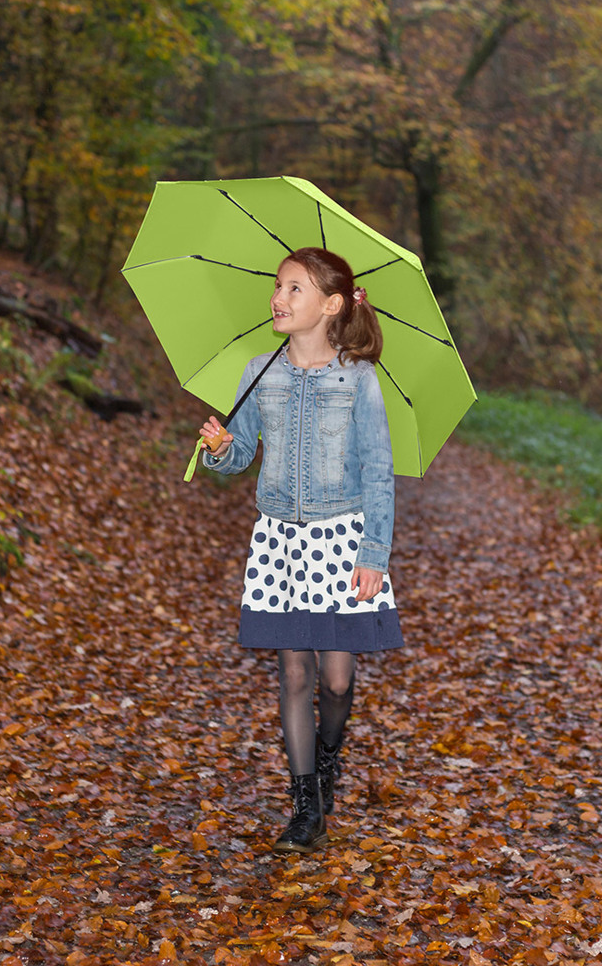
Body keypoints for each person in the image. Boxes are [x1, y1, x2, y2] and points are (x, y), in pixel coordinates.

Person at [199, 246, 402, 854]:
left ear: (331, 305)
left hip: (341, 540)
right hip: (280, 540)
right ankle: (305, 804)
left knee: (336, 681)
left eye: (294, 289)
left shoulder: (358, 379)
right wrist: (221, 448)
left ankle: (328, 759)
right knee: (294, 671)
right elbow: (240, 457)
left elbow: (379, 470)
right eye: (278, 286)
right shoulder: (260, 372)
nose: (277, 298)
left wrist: (375, 552)